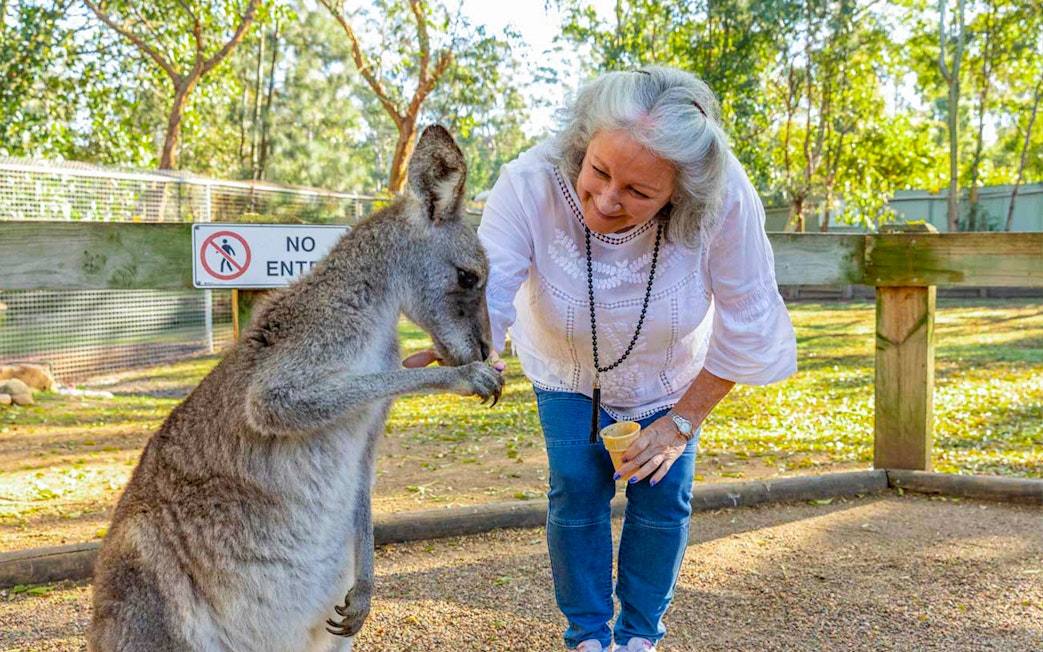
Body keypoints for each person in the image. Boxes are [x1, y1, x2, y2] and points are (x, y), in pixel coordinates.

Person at [412, 66, 797, 651]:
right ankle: (588, 637)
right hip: (566, 362)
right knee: (575, 485)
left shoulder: (722, 195)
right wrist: (468, 348)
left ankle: (640, 637)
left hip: (669, 372)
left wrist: (680, 423)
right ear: (582, 144)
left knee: (663, 494)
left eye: (640, 192)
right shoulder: (530, 179)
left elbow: (749, 321)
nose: (608, 198)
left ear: (679, 193)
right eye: (599, 171)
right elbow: (491, 284)